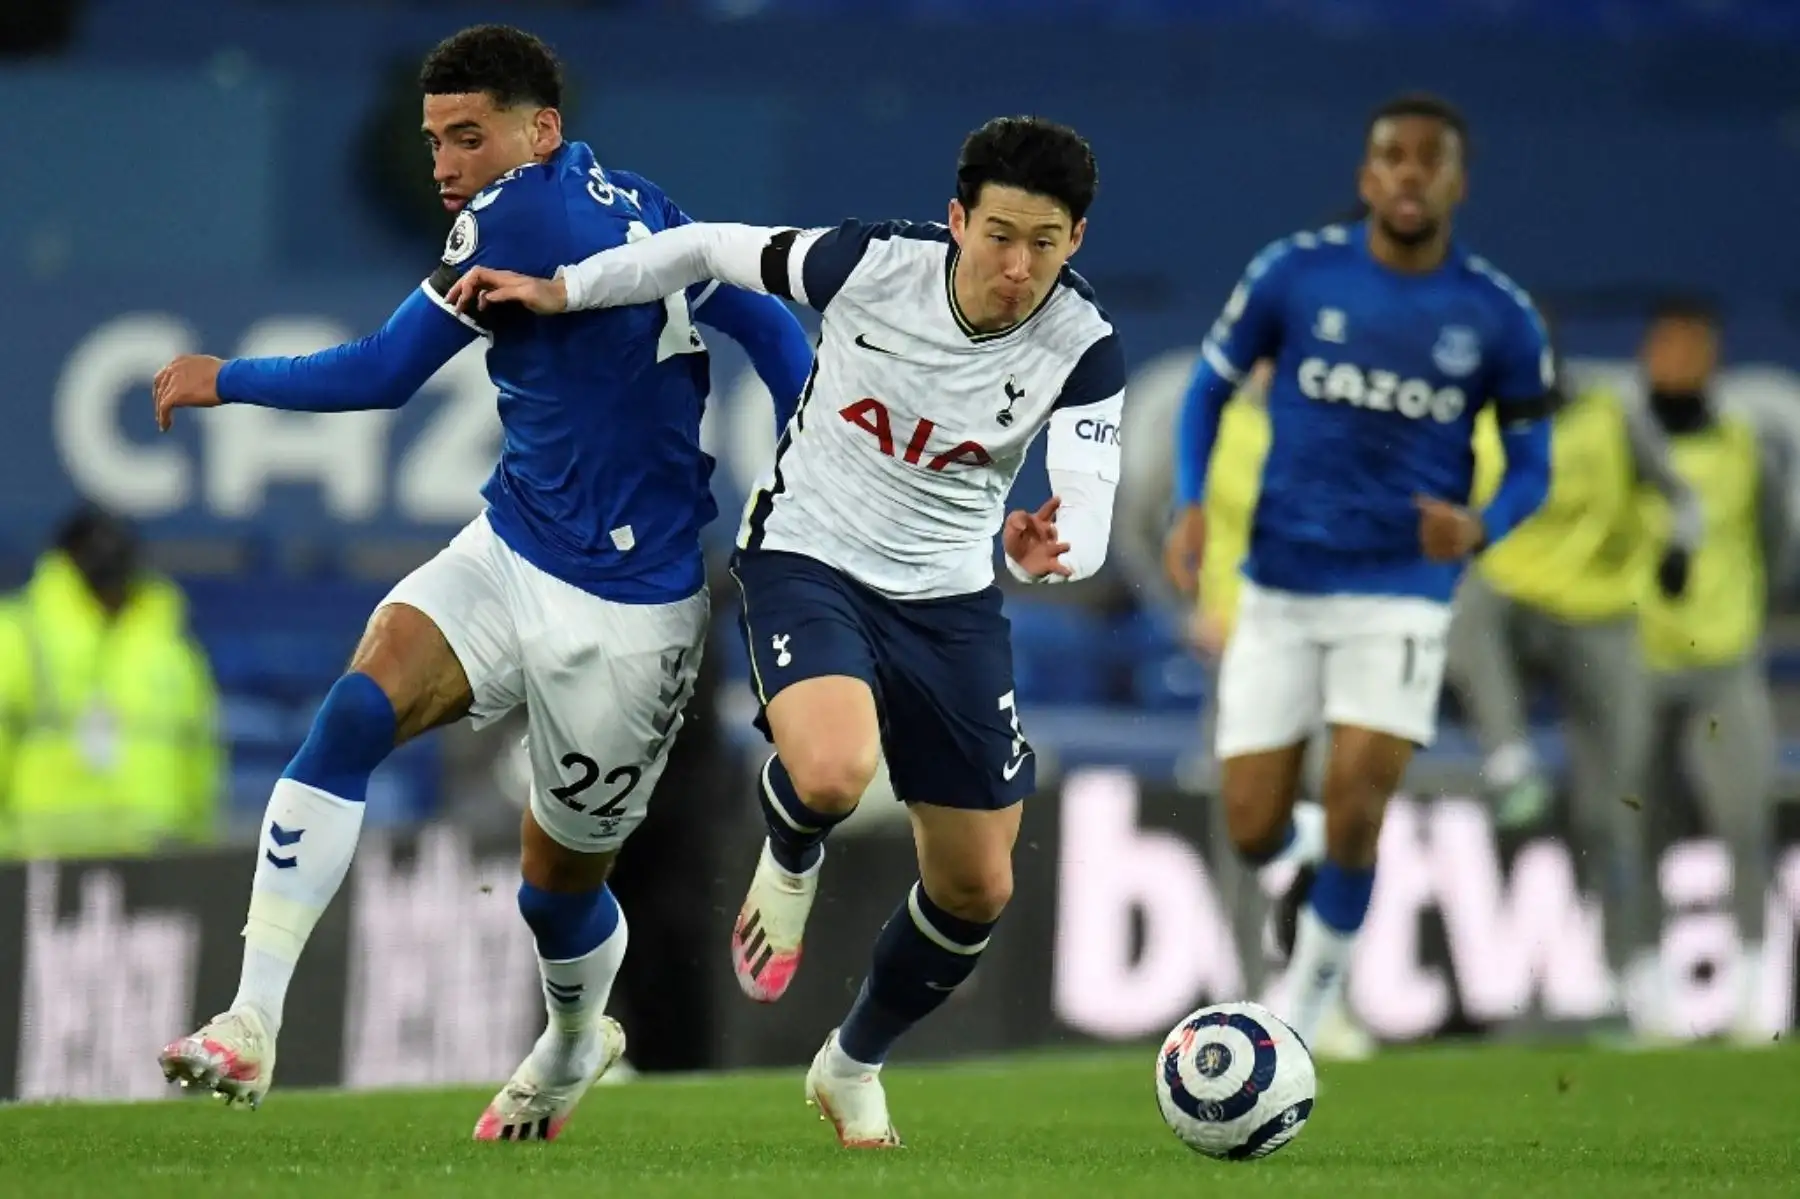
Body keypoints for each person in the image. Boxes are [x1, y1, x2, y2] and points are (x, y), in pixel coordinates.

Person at [150, 24, 815, 1139]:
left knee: (556, 889)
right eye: (435, 141)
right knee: (356, 710)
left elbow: (383, 373)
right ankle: (249, 1018)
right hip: (510, 548)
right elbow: (768, 323)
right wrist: (808, 451)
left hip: (634, 618)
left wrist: (229, 376)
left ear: (540, 131)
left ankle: (571, 1039)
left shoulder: (518, 213)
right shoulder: (653, 206)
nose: (447, 164)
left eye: (470, 135)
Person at [448, 114, 1124, 1147]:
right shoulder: (869, 264)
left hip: (948, 602)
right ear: (957, 221)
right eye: (997, 234)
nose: (1016, 265)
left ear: (1075, 239)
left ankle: (852, 1061)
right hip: (811, 557)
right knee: (832, 772)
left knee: (978, 883)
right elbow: (708, 247)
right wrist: (567, 289)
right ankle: (792, 846)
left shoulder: (1085, 348)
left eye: (1043, 242)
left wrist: (1055, 544)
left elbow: (1087, 500)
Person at [1163, 93, 1555, 1051]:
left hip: (1401, 595)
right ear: (1367, 177)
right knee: (1253, 823)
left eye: (1432, 159)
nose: (1411, 172)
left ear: (1458, 182)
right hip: (1282, 586)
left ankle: (1300, 1018)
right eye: (1393, 156)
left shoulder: (1497, 315)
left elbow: (1534, 460)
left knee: (1357, 802)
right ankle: (1307, 863)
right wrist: (1191, 500)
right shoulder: (1294, 275)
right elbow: (1210, 387)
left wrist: (1484, 523)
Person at [1448, 324, 1702, 1016]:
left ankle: (1637, 971)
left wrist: (1681, 547)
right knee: (1469, 604)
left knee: (1617, 806)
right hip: (1515, 599)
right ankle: (1507, 752)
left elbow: (1681, 495)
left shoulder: (1616, 408)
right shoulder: (1475, 413)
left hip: (1598, 615)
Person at [1631, 297, 1799, 1043]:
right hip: (1635, 663)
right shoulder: (1622, 443)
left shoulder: (1743, 446)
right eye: (1666, 348)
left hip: (1724, 664)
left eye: (1691, 350)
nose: (1676, 364)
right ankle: (1645, 994)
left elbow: (1772, 543)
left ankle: (1759, 986)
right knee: (1634, 832)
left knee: (1743, 824)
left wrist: (1744, 616)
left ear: (1713, 360)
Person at [0, 504, 221, 860]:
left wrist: (194, 858)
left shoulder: (172, 650)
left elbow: (201, 765)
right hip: (35, 872)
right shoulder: (16, 638)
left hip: (155, 870)